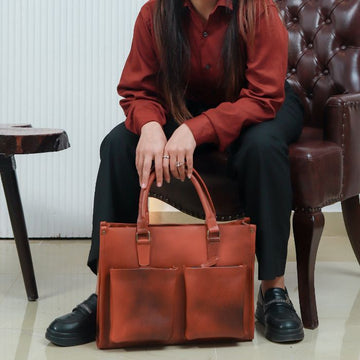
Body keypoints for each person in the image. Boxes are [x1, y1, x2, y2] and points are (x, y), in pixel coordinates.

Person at [45, 0, 305, 346]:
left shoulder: (257, 9)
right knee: (118, 145)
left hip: (258, 106)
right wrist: (151, 125)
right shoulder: (155, 13)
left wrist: (198, 130)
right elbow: (138, 90)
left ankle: (273, 289)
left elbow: (264, 95)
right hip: (185, 105)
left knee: (263, 148)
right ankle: (109, 291)